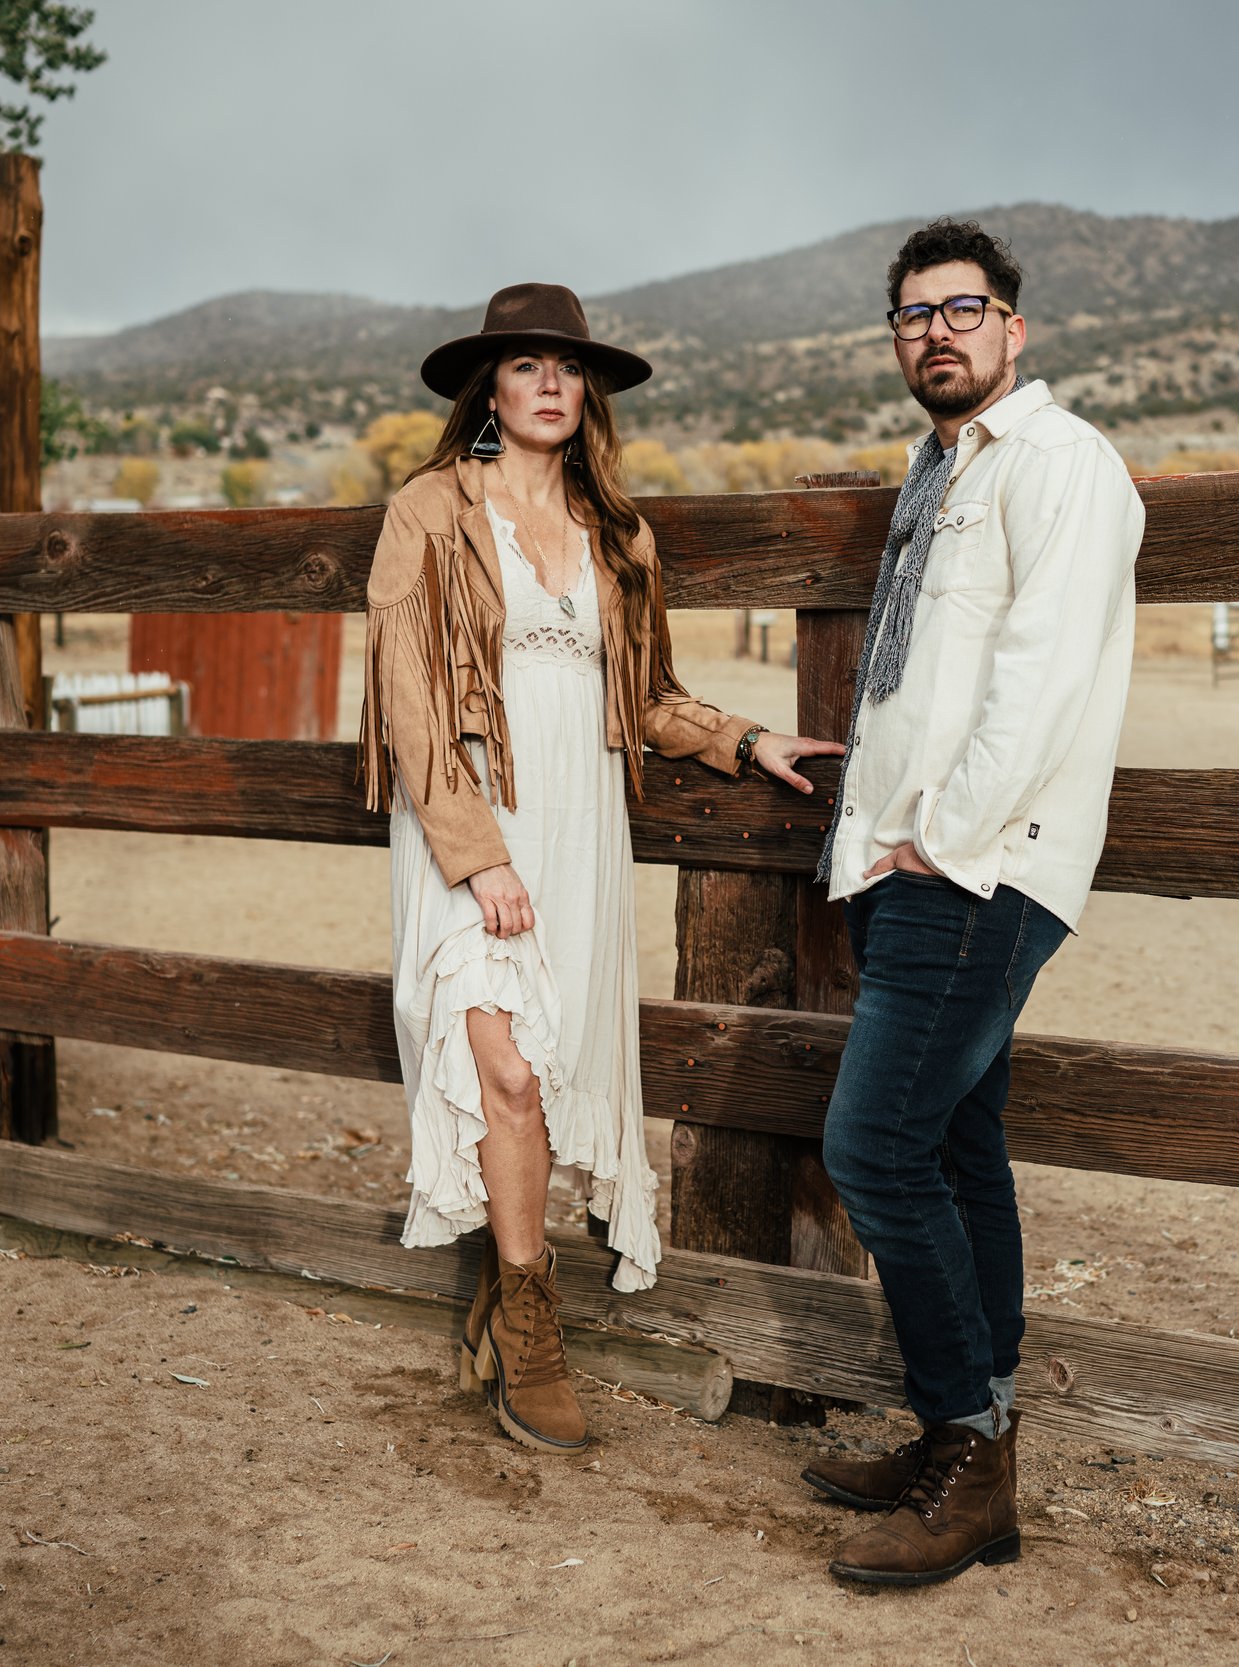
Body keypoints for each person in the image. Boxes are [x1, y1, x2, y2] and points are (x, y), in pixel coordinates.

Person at [360, 283, 840, 1454]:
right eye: (524, 366)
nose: (548, 385)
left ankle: (498, 1297)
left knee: (544, 1064)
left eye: (567, 369)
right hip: (473, 825)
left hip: (583, 831)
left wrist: (743, 739)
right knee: (507, 1072)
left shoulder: (617, 533)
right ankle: (534, 1322)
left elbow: (649, 696)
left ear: (588, 394)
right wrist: (478, 859)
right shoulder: (429, 509)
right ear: (488, 387)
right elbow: (408, 696)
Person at [801, 222, 1145, 1584]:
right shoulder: (938, 472)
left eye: (962, 309)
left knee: (871, 1149)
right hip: (904, 856)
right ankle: (968, 1437)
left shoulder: (1062, 465)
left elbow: (1040, 676)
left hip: (978, 861)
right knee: (951, 1152)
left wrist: (942, 841)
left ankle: (971, 1454)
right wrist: (876, 841)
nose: (934, 332)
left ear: (1017, 329)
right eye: (911, 317)